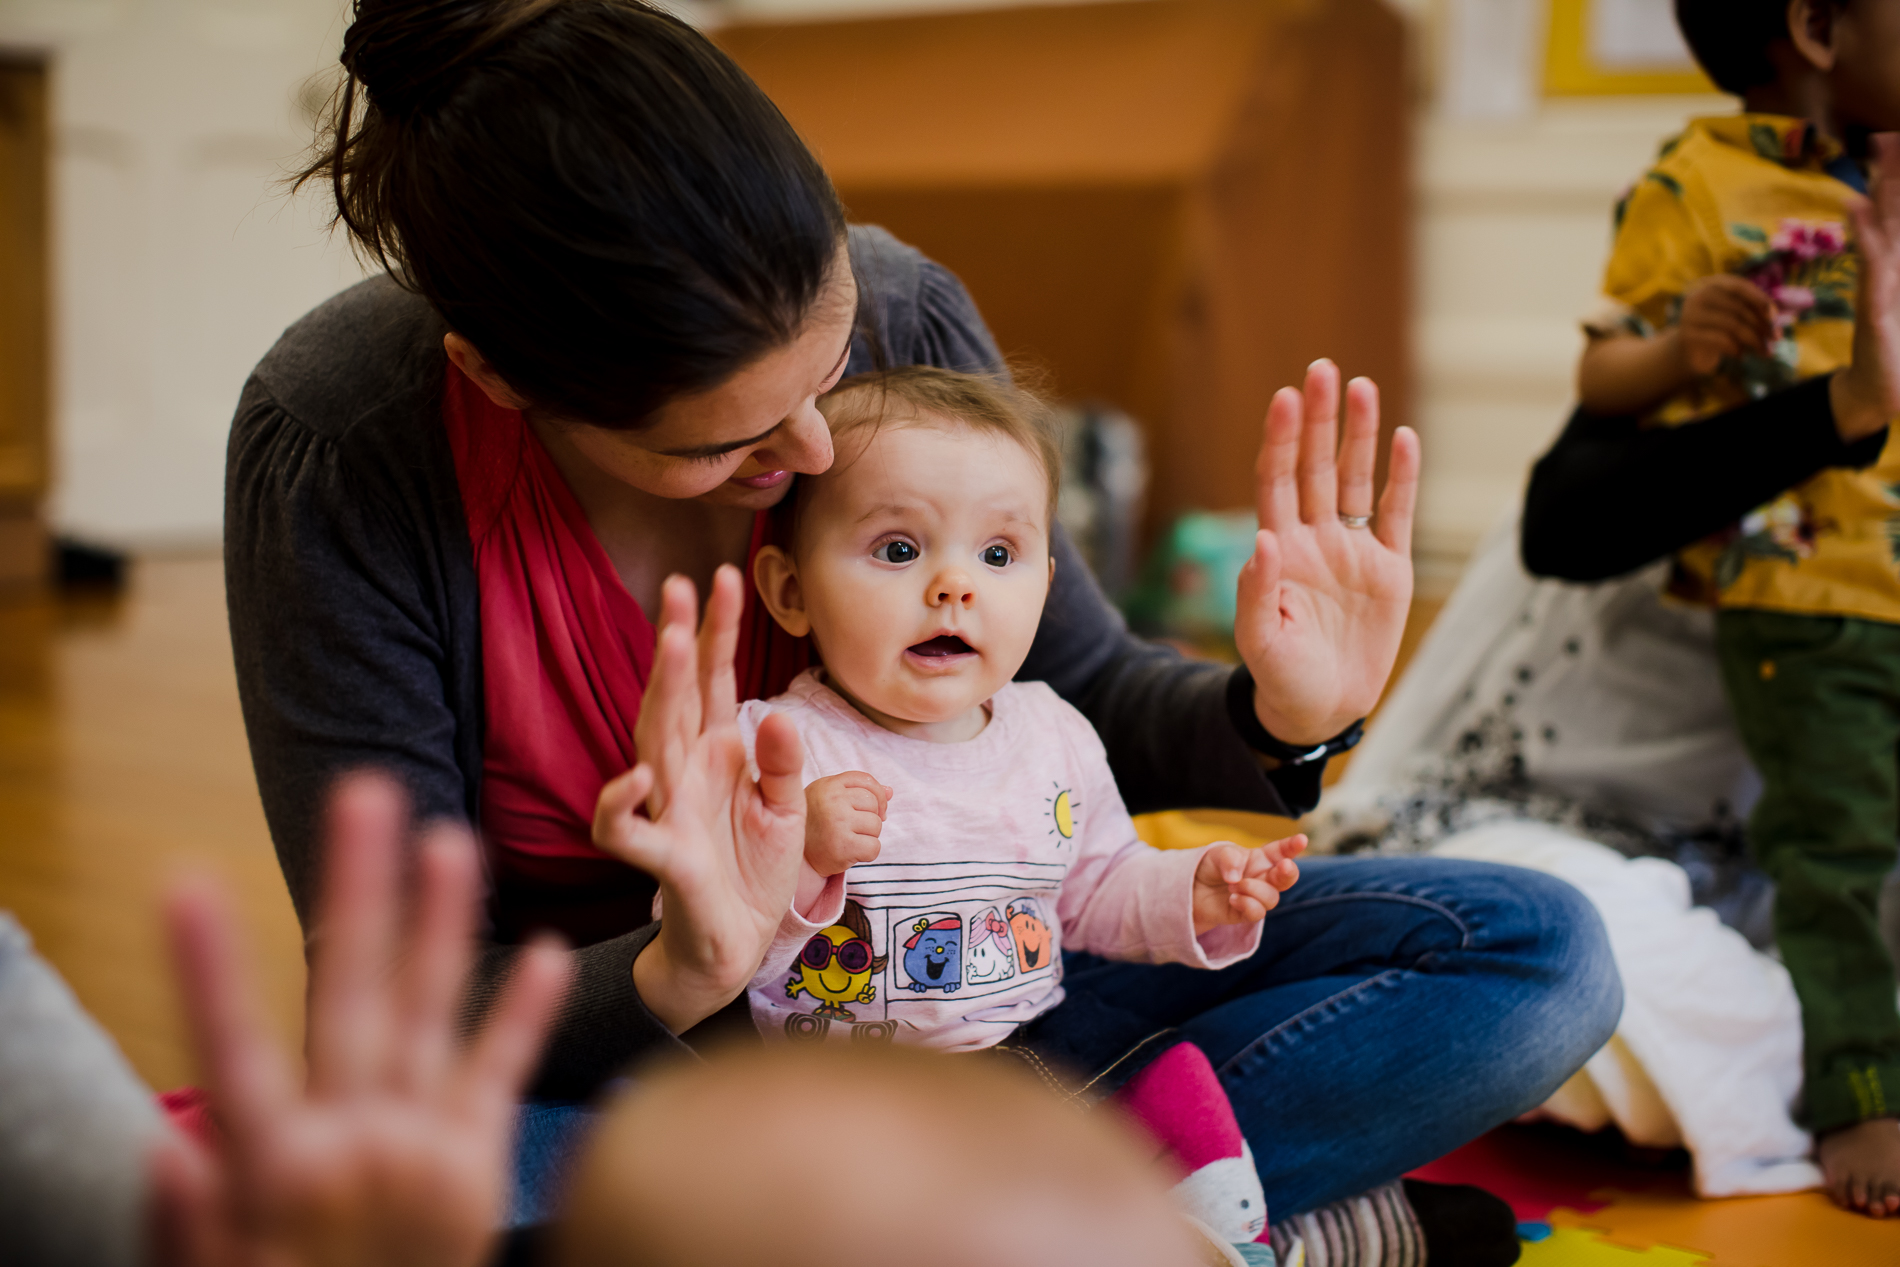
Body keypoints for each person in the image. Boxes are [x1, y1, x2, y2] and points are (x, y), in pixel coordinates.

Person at [226, 0, 1619, 1228]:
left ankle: (987, 1209)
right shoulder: (345, 441)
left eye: (825, 370)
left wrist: (1285, 717)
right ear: (499, 377)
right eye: (726, 448)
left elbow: (1084, 703)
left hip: (1008, 1001)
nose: (815, 455)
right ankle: (1136, 1209)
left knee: (1539, 955)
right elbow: (404, 1004)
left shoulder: (900, 307)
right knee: (401, 1194)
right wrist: (683, 962)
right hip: (642, 1062)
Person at [737, 366, 1305, 1243]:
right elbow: (694, 918)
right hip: (844, 1096)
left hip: (1026, 1045)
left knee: (1169, 1084)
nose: (954, 585)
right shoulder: (779, 744)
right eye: (899, 549)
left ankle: (1220, 1245)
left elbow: (1098, 884)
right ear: (790, 591)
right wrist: (794, 845)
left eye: (997, 556)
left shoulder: (1054, 735)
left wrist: (1192, 890)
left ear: (1044, 583)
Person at [1546, 0, 1900, 1215]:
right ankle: (1861, 1091)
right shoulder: (1699, 182)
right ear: (1813, 28)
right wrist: (1681, 355)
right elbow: (1602, 368)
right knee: (1835, 841)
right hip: (1803, 587)